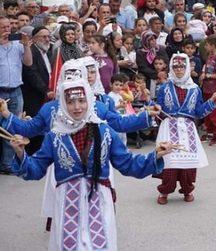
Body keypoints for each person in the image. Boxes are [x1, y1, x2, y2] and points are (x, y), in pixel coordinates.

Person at [5, 80, 172, 250]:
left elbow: (127, 163)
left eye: (82, 101)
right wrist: (20, 153)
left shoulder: (105, 131)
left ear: (90, 101)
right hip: (67, 203)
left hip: (99, 200)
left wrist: (155, 155)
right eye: (70, 102)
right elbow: (36, 169)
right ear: (63, 103)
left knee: (99, 245)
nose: (77, 107)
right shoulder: (54, 136)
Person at [155, 54, 216, 204]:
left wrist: (212, 99)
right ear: (171, 68)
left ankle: (187, 189)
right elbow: (158, 109)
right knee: (169, 160)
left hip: (187, 129)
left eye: (182, 66)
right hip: (169, 126)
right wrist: (155, 107)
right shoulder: (164, 87)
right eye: (175, 66)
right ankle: (165, 191)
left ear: (187, 68)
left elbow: (198, 112)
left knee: (188, 163)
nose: (179, 69)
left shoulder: (195, 89)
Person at [0, 16, 33, 174]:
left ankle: (7, 164)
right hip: (0, 90)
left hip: (16, 91)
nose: (7, 30)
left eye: (8, 27)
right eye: (3, 27)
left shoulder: (17, 44)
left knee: (13, 128)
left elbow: (28, 63)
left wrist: (26, 46)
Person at [201, 36, 216, 145]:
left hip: (214, 90)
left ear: (213, 46)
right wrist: (203, 75)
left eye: (207, 44)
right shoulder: (209, 56)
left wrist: (208, 75)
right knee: (207, 111)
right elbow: (205, 71)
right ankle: (209, 132)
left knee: (215, 113)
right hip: (206, 88)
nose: (205, 46)